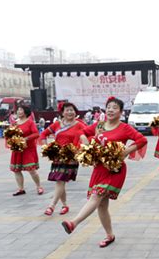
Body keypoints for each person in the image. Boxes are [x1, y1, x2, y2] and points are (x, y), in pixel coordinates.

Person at [61, 97, 147, 248]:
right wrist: (86, 140)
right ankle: (110, 235)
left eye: (114, 107)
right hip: (99, 168)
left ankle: (73, 223)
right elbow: (82, 132)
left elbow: (141, 140)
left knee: (96, 195)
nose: (110, 110)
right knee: (102, 205)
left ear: (121, 112)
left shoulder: (125, 128)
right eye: (108, 107)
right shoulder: (99, 125)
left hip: (115, 170)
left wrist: (126, 151)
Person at [40, 103, 87, 216]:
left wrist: (81, 148)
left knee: (60, 180)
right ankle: (65, 205)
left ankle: (51, 206)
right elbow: (43, 135)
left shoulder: (80, 125)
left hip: (71, 157)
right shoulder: (56, 125)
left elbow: (88, 136)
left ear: (75, 112)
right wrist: (46, 147)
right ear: (62, 112)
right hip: (57, 157)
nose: (70, 112)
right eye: (67, 110)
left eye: (72, 110)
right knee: (60, 181)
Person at [10, 105, 44, 196]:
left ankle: (39, 186)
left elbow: (36, 134)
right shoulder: (14, 123)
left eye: (21, 110)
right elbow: (10, 134)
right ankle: (21, 189)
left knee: (31, 169)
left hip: (28, 149)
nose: (18, 111)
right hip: (17, 149)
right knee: (16, 170)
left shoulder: (30, 122)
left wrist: (25, 139)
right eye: (18, 110)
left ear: (25, 112)